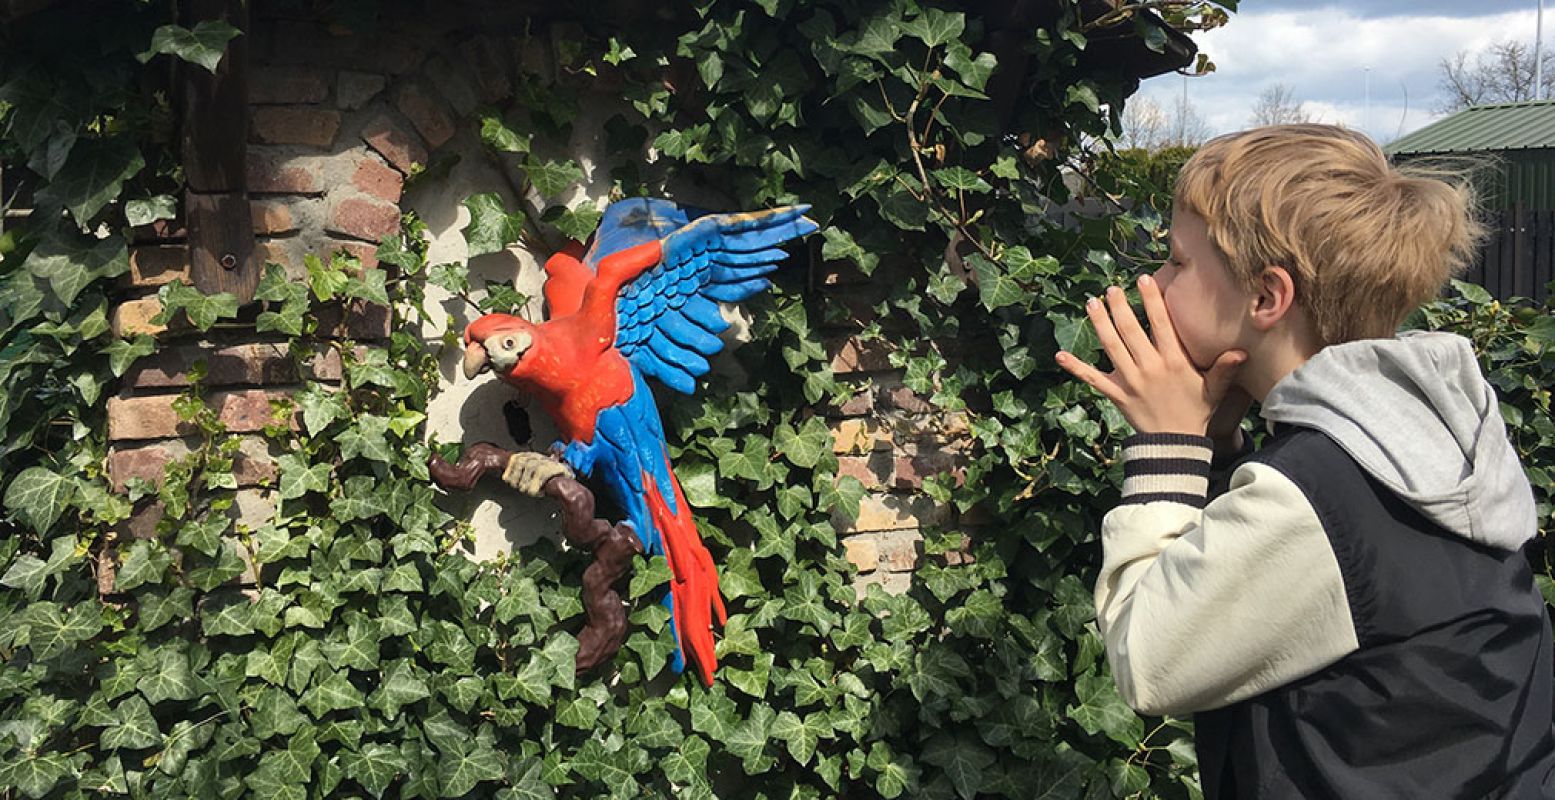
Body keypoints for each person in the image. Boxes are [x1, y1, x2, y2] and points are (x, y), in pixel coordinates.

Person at [1055, 124, 1555, 798]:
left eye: (1175, 261)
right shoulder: (1413, 433)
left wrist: (1165, 448)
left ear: (1265, 297)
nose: (1154, 282)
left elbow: (1149, 661)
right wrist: (1219, 451)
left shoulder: (1310, 492)